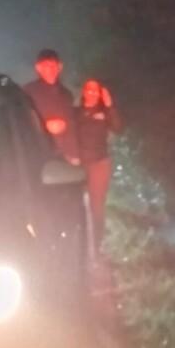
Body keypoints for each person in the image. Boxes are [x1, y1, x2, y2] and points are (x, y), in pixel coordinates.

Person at [75, 79, 123, 252]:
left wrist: (109, 105)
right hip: (78, 165)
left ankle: (97, 243)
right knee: (76, 202)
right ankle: (79, 240)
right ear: (84, 92)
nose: (92, 93)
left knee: (97, 205)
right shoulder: (76, 112)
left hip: (99, 164)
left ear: (100, 93)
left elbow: (118, 127)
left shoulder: (104, 113)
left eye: (96, 90)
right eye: (89, 89)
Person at [22, 49, 80, 164]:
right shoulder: (28, 91)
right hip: (39, 152)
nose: (50, 69)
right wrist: (44, 126)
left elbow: (72, 125)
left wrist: (74, 154)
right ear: (38, 68)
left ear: (60, 67)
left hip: (64, 154)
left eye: (53, 65)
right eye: (46, 66)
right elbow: (21, 121)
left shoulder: (66, 94)